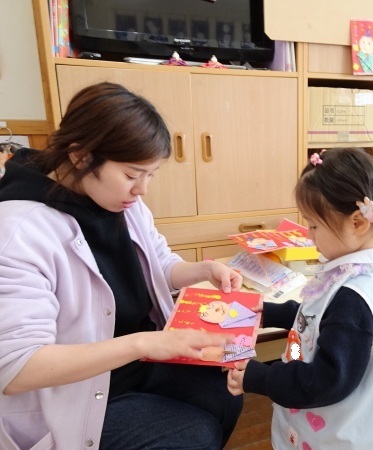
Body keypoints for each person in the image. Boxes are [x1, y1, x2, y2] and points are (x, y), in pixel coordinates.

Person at [0, 82, 243, 450]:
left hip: (137, 363)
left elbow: (158, 262)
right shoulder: (18, 230)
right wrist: (143, 343)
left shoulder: (121, 202)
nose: (142, 189)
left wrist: (203, 271)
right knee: (193, 434)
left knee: (224, 392)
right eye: (132, 175)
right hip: (74, 392)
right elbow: (16, 367)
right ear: (81, 157)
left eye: (150, 175)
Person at [226, 147, 373, 449]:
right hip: (325, 413)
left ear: (358, 222)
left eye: (314, 224)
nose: (308, 234)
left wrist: (260, 377)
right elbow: (318, 315)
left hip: (340, 431)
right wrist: (269, 312)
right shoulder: (358, 266)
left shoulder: (353, 297)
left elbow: (327, 380)